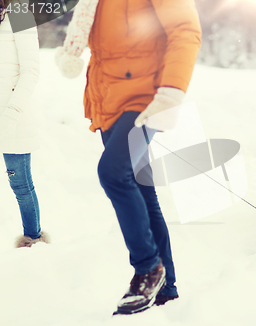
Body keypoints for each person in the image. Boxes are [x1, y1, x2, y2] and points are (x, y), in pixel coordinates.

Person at [55, 0, 201, 315]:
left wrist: (171, 92)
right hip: (111, 101)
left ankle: (148, 269)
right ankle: (166, 287)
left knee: (113, 172)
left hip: (147, 98)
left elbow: (185, 31)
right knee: (141, 189)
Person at [0, 0, 49, 248]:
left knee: (19, 183)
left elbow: (31, 70)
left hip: (12, 116)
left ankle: (33, 239)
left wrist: (12, 112)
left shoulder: (18, 13)